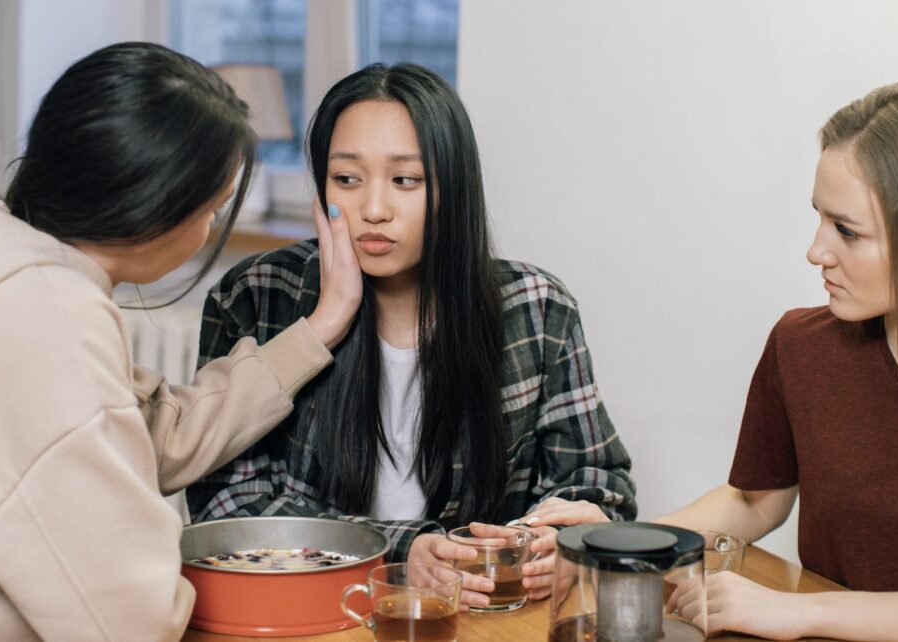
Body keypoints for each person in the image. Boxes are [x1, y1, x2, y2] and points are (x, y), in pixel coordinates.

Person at [0, 42, 361, 641]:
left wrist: (321, 325)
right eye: (213, 209)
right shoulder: (45, 324)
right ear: (154, 214)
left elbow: (150, 432)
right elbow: (134, 617)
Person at [186, 62, 636, 608]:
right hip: (315, 615)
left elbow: (598, 482)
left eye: (406, 180)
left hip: (481, 618)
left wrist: (556, 539)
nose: (373, 210)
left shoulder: (538, 308)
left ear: (454, 188)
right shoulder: (256, 296)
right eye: (346, 179)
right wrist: (405, 551)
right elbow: (227, 504)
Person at [660, 77, 898, 641]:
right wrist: (612, 543)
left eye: (847, 231)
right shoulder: (802, 346)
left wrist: (803, 612)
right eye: (821, 218)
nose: (816, 251)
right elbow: (753, 502)